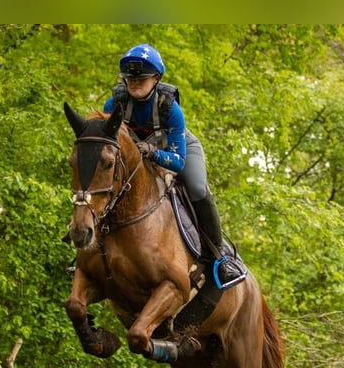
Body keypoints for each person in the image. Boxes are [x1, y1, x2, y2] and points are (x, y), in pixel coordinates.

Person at [103, 43, 247, 290]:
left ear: (156, 78)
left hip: (177, 150)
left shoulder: (170, 108)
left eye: (142, 78)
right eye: (130, 79)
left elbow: (178, 161)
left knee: (197, 188)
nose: (134, 83)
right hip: (136, 156)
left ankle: (220, 258)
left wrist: (152, 152)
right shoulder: (112, 105)